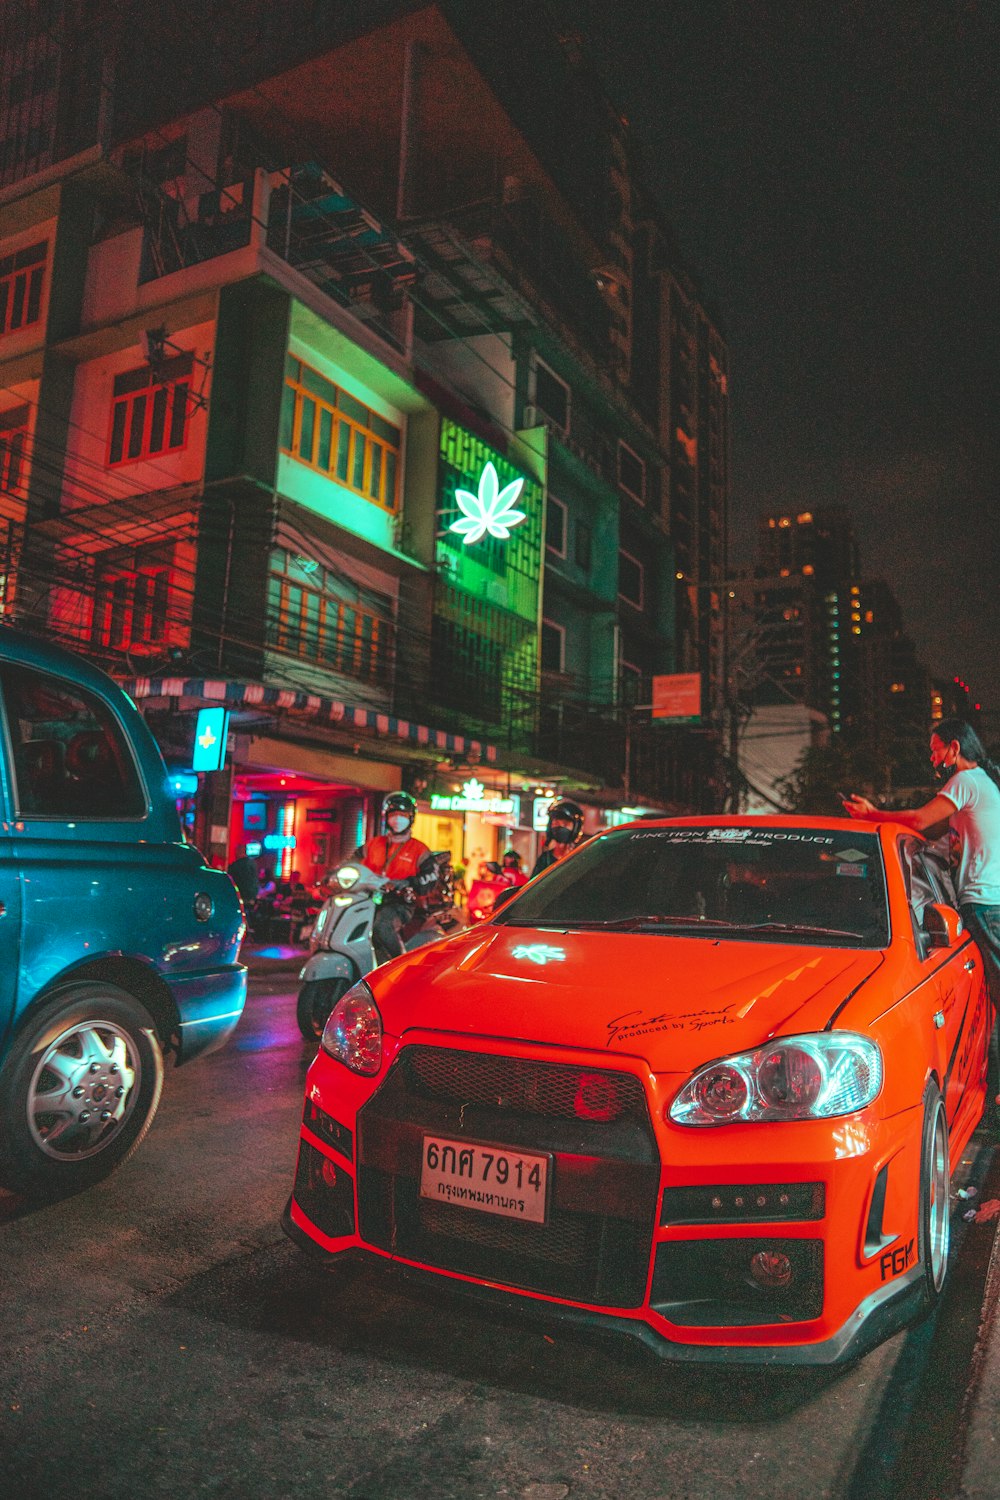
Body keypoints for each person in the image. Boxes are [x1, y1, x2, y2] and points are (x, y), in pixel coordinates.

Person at [844, 718, 1000, 1017]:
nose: (932, 758)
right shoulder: (980, 783)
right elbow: (930, 837)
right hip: (988, 902)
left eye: (935, 750)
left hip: (984, 902)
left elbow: (919, 820)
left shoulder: (966, 780)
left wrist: (871, 814)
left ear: (954, 748)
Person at [356, 791, 435, 959]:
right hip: (366, 897)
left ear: (411, 817)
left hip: (399, 902)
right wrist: (333, 875)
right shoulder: (373, 844)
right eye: (394, 814)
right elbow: (351, 863)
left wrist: (407, 883)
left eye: (403, 814)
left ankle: (398, 963)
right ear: (387, 817)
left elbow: (431, 877)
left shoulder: (419, 849)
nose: (397, 818)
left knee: (382, 926)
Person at [530, 799, 585, 878]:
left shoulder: (580, 860)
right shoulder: (544, 859)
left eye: (565, 823)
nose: (559, 827)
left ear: (575, 828)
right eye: (555, 823)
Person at [226, 847, 259, 913]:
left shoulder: (236, 866)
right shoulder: (253, 864)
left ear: (238, 852)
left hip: (240, 897)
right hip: (251, 897)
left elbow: (228, 878)